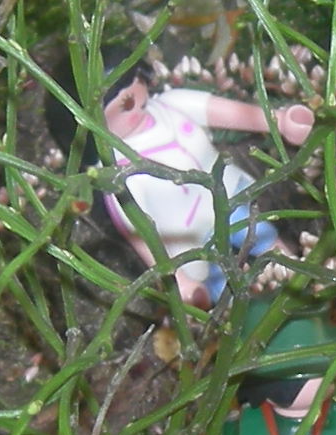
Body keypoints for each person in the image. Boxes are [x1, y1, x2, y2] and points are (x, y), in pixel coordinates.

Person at [98, 63, 314, 308]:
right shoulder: (118, 172)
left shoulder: (171, 105)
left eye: (137, 84)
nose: (136, 101)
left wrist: (278, 121)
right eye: (124, 104)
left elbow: (225, 112)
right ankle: (239, 315)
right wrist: (176, 278)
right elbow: (139, 234)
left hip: (229, 197)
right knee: (223, 286)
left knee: (265, 239)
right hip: (190, 236)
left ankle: (297, 277)